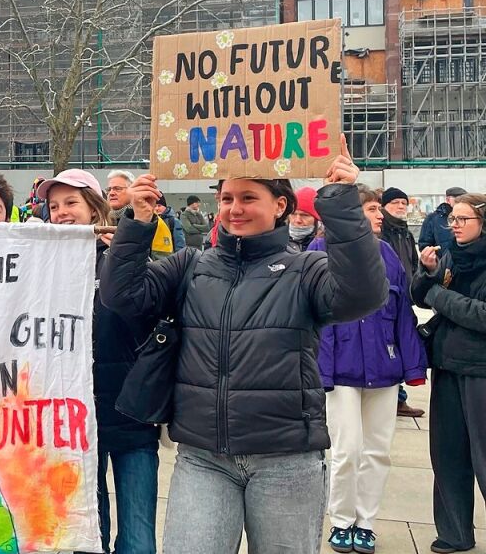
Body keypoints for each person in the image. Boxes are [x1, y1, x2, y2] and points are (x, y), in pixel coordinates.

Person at [100, 137, 388, 554]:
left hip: (286, 460)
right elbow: (122, 296)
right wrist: (138, 221)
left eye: (248, 197)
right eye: (227, 197)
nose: (234, 208)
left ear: (280, 206)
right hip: (202, 457)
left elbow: (362, 295)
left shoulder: (305, 269)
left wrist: (342, 202)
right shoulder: (192, 265)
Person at [38, 168, 158, 554]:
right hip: (73, 422)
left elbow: (143, 310)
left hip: (130, 412)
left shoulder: (121, 254)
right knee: (87, 536)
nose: (62, 213)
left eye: (71, 203)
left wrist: (127, 250)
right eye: (54, 206)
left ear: (94, 208)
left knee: (138, 538)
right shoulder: (42, 264)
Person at [310, 186, 427, 554]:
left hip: (384, 366)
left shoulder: (388, 254)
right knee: (347, 450)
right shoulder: (319, 252)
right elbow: (316, 317)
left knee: (377, 450)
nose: (380, 215)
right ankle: (341, 520)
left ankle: (366, 522)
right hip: (340, 369)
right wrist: (321, 370)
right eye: (373, 208)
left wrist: (412, 367)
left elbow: (402, 313)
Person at [412, 193, 486, 554]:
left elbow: (480, 315)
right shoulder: (450, 257)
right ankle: (456, 532)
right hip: (447, 364)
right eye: (451, 219)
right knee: (447, 455)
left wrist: (438, 295)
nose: (453, 225)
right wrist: (427, 274)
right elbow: (419, 296)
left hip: (481, 372)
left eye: (462, 219)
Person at [380, 187, 426, 418]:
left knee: (402, 345)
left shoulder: (405, 232)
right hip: (385, 297)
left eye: (403, 202)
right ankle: (394, 398)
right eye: (395, 202)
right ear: (384, 206)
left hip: (404, 296)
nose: (400, 206)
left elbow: (413, 263)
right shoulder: (382, 231)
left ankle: (399, 399)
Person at [419, 187, 466, 251]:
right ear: (448, 200)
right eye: (458, 199)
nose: (461, 202)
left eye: (464, 199)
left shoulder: (468, 217)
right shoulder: (433, 218)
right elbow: (424, 245)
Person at [287, 186, 321, 252]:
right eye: (293, 214)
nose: (297, 220)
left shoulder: (324, 245)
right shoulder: (278, 243)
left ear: (317, 220)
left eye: (304, 215)